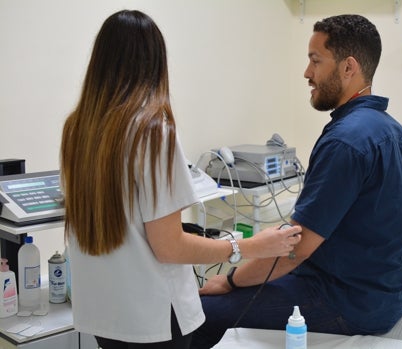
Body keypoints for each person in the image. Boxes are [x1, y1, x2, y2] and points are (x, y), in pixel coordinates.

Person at [59, 10, 301, 349]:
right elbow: (169, 246)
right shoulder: (153, 130)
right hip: (153, 317)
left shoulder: (77, 128)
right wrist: (246, 247)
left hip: (104, 315)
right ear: (155, 63)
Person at [190, 14, 402, 348]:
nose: (307, 73)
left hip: (347, 302)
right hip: (387, 294)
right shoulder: (396, 133)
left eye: (315, 61)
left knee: (197, 314)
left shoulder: (346, 142)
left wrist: (229, 280)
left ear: (348, 67)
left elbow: (294, 251)